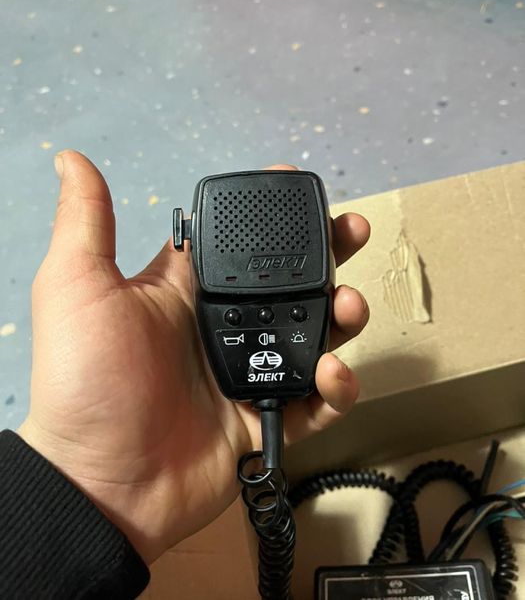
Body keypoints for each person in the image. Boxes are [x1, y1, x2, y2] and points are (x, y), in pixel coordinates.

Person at [0, 150, 370, 599]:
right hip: (248, 298)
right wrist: (86, 474)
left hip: (285, 295)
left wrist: (83, 485)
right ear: (187, 234)